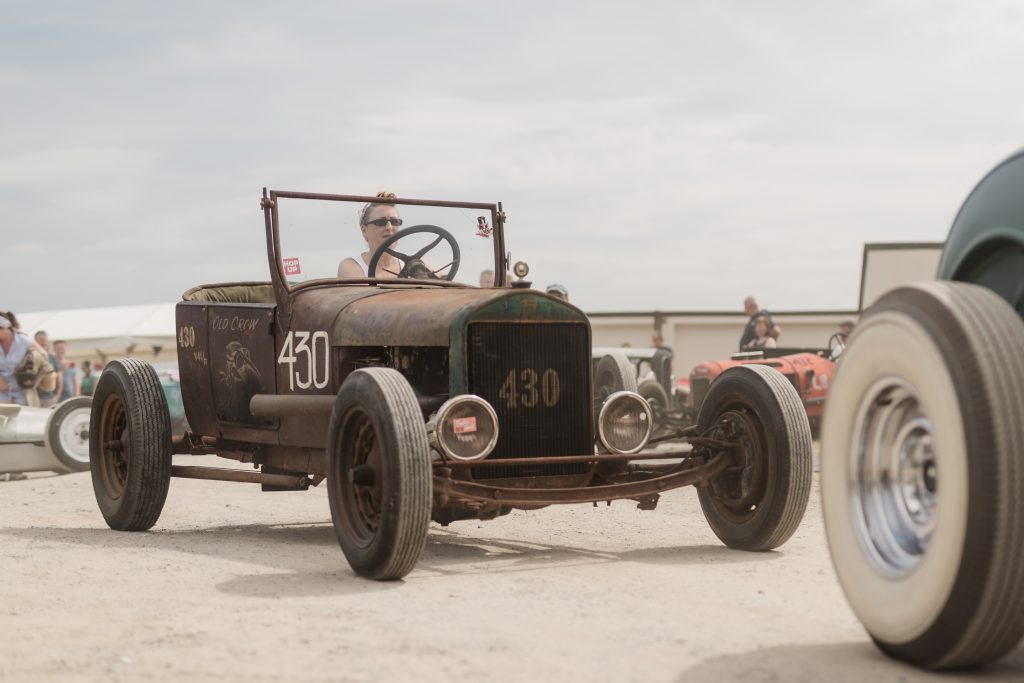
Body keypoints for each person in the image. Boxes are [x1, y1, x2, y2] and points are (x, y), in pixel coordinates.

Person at [337, 192, 404, 278]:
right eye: (380, 222)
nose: (389, 227)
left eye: (395, 222)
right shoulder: (351, 266)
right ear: (364, 230)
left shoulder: (417, 266)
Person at [0, 315, 32, 405]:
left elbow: (42, 358)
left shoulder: (24, 341)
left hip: (22, 392)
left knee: (22, 417)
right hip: (1, 393)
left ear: (6, 328)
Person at [33, 330, 62, 406]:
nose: (44, 342)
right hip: (35, 398)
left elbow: (59, 378)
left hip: (50, 399)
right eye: (41, 340)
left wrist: (57, 396)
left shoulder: (52, 358)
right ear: (35, 342)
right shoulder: (31, 357)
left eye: (45, 340)